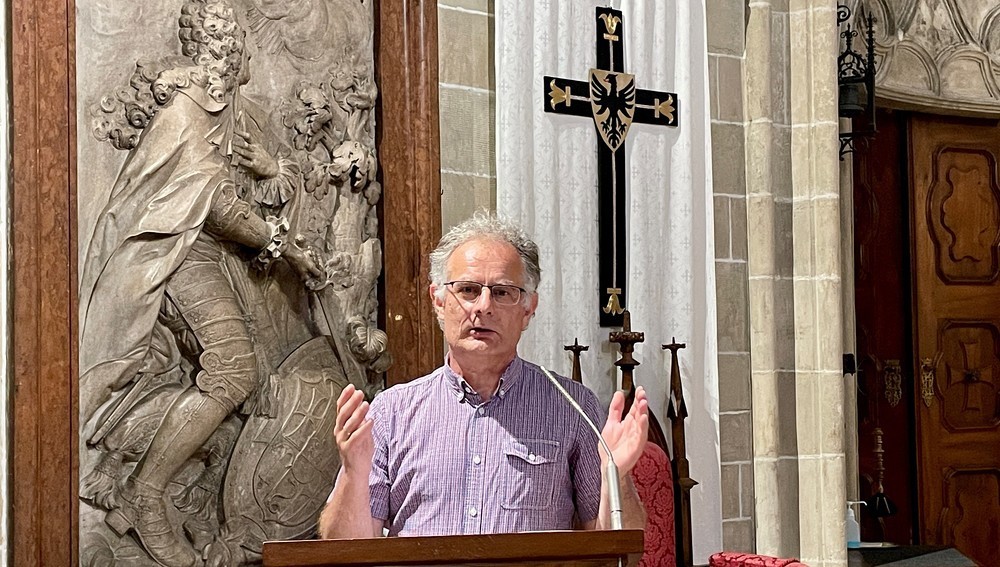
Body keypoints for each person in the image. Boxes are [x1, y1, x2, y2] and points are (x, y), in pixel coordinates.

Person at [78, 2, 323, 565]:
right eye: (236, 42)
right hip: (171, 250)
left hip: (201, 251)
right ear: (221, 48)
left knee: (246, 376)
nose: (244, 52)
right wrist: (287, 250)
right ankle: (144, 493)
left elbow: (245, 191)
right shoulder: (192, 104)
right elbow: (212, 201)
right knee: (233, 370)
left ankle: (173, 494)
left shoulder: (222, 108)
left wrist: (271, 178)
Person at [319, 214, 648, 538]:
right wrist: (353, 472)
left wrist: (617, 477)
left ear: (528, 309)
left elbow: (618, 550)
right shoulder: (392, 412)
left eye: (503, 292)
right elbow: (346, 548)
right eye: (468, 290)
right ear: (438, 300)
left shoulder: (573, 408)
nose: (484, 306)